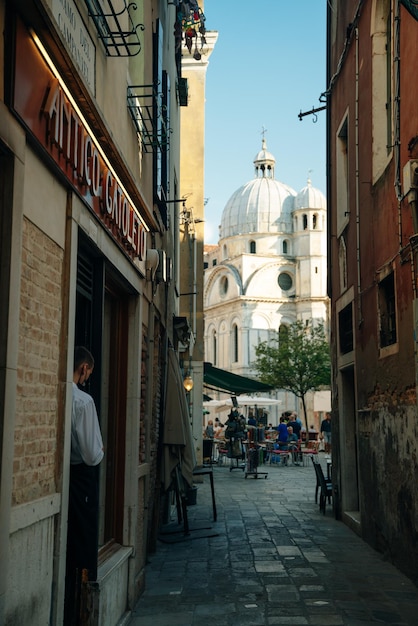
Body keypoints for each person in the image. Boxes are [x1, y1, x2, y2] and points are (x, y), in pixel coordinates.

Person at [65, 347, 104, 624]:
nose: (87, 377)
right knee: (83, 540)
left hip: (63, 474)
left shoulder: (57, 391)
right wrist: (102, 450)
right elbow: (92, 454)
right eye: (88, 372)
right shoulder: (83, 401)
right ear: (84, 369)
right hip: (81, 478)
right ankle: (81, 609)